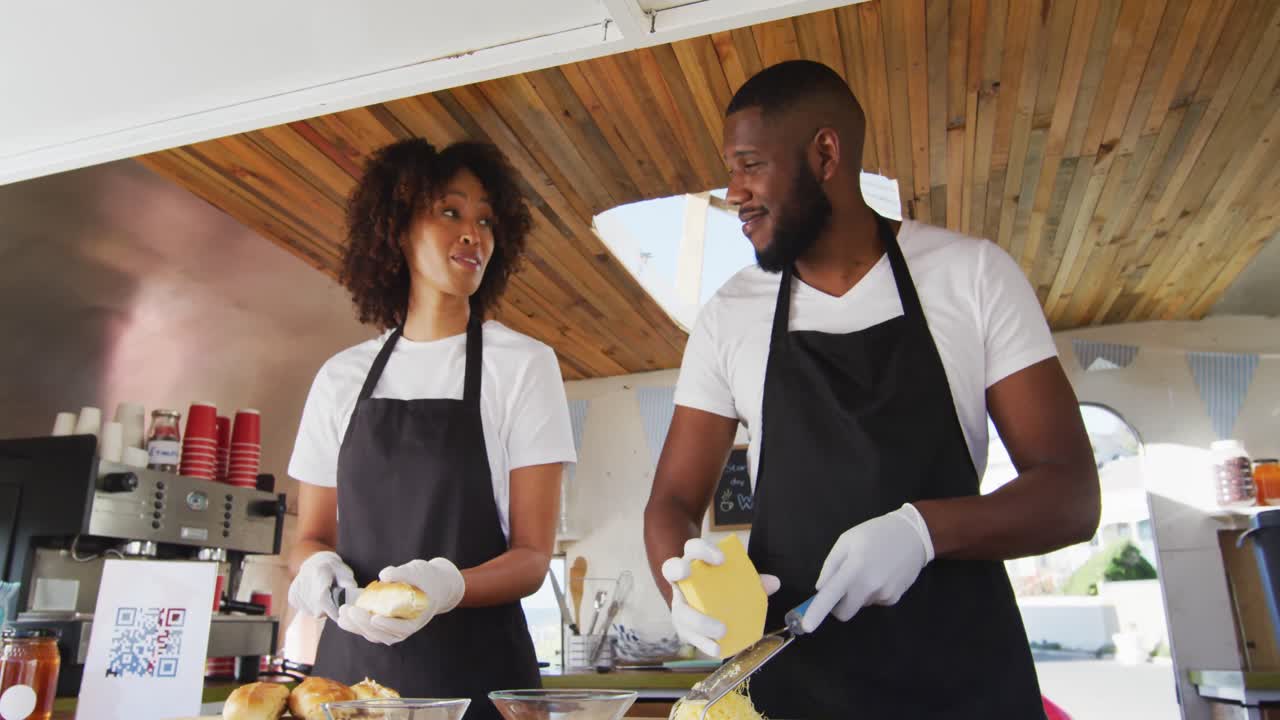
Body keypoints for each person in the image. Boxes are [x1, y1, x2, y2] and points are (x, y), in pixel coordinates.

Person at [644, 60, 1100, 718]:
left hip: (964, 680)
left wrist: (925, 530)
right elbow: (672, 500)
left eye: (749, 164)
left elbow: (1073, 494)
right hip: (798, 683)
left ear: (825, 153)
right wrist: (680, 587)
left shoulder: (971, 277)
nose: (733, 191)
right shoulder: (729, 315)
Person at [286, 138, 575, 718]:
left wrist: (445, 587)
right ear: (397, 227)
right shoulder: (341, 378)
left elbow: (532, 556)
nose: (475, 233)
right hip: (350, 686)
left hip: (480, 680)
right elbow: (310, 537)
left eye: (487, 219)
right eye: (451, 211)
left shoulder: (522, 365)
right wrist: (319, 572)